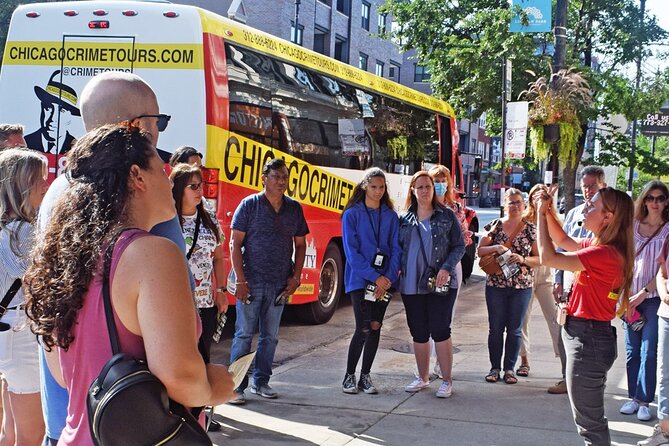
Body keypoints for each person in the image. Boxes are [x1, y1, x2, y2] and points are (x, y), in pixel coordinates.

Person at [24, 124, 235, 445]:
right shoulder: (152, 253)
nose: (169, 180)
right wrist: (215, 387)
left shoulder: (66, 256)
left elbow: (62, 375)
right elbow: (181, 377)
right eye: (162, 170)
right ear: (138, 176)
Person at [34, 71, 187, 444]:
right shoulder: (147, 206)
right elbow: (175, 367)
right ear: (135, 128)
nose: (159, 133)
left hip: (70, 419)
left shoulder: (60, 192)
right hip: (130, 425)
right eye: (158, 122)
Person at [536, 186, 634, 446]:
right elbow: (564, 241)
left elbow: (548, 256)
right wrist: (547, 211)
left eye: (593, 205)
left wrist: (537, 213)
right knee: (589, 421)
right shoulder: (602, 246)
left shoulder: (605, 254)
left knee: (590, 425)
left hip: (588, 340)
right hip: (586, 336)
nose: (586, 207)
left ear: (608, 217)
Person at [229, 158, 308, 404]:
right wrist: (240, 281)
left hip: (279, 283)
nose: (281, 182)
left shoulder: (294, 208)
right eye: (275, 177)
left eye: (284, 177)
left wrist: (296, 277)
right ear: (264, 178)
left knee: (270, 336)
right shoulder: (250, 205)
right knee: (243, 334)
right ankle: (235, 387)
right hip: (251, 282)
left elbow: (301, 244)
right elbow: (235, 244)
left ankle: (261, 382)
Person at [398, 171, 464, 398]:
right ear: (413, 191)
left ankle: (446, 380)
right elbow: (397, 249)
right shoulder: (404, 219)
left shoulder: (446, 216)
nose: (425, 191)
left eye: (428, 186)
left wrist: (446, 267)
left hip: (440, 283)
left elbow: (459, 245)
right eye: (420, 187)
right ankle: (423, 377)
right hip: (410, 284)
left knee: (440, 329)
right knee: (418, 331)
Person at [0, 148, 48, 446]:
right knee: (32, 435)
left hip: (8, 329)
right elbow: (42, 279)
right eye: (39, 179)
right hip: (19, 333)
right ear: (21, 186)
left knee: (10, 431)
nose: (46, 183)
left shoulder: (6, 227)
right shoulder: (23, 233)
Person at [340, 167, 401, 395]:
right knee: (363, 327)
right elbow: (352, 253)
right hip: (360, 279)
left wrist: (387, 278)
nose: (377, 191)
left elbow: (396, 249)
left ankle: (365, 377)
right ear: (365, 186)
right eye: (374, 186)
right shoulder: (352, 215)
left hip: (385, 281)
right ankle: (349, 376)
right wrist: (375, 277)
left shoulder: (390, 215)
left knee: (376, 326)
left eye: (381, 187)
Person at [550, 165, 607, 394]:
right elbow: (560, 248)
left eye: (592, 185)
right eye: (585, 186)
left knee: (591, 335)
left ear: (602, 185)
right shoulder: (574, 214)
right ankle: (567, 378)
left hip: (592, 286)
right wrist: (557, 279)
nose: (588, 190)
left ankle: (590, 381)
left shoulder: (606, 216)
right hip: (569, 283)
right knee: (565, 331)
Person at [478, 188, 539, 385]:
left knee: (515, 329)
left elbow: (539, 259)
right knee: (495, 328)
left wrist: (522, 258)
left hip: (522, 286)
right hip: (496, 284)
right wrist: (496, 247)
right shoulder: (495, 226)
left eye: (518, 202)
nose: (515, 206)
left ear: (524, 205)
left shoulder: (531, 229)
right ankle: (494, 368)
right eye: (511, 202)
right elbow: (480, 251)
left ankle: (510, 369)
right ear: (505, 205)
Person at [621, 181, 669, 422]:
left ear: (666, 201)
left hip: (653, 299)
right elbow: (625, 259)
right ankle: (633, 397)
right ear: (644, 200)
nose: (655, 203)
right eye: (650, 198)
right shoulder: (634, 225)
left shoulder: (668, 230)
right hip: (630, 298)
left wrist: (643, 293)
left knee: (649, 351)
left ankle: (644, 400)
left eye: (660, 198)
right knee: (632, 352)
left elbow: (663, 269)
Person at [171, 163, 228, 360]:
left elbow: (218, 257)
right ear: (179, 189)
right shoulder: (167, 220)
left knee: (203, 357)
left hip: (205, 303)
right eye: (193, 186)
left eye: (200, 185)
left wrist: (221, 291)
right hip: (176, 303)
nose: (199, 191)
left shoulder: (208, 215)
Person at [428, 164, 471, 378]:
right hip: (427, 268)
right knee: (425, 315)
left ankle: (440, 364)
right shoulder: (423, 206)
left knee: (445, 317)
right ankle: (424, 364)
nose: (439, 184)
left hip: (451, 267)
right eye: (436, 180)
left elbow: (464, 240)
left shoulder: (456, 209)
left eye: (443, 180)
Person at [517, 184, 562, 378]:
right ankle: (524, 360)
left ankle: (565, 362)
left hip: (545, 276)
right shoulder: (523, 218)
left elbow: (559, 247)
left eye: (542, 196)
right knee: (522, 320)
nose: (538, 199)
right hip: (526, 274)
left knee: (555, 319)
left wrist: (548, 211)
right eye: (535, 196)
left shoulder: (552, 218)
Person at [644, 236, 669, 445]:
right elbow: (662, 272)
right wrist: (663, 293)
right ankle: (664, 430)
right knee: (665, 373)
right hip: (666, 314)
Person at [24, 70, 78, 154]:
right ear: (41, 108)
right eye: (49, 108)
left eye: (62, 111)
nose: (52, 119)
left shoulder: (78, 150)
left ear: (70, 117)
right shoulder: (24, 145)